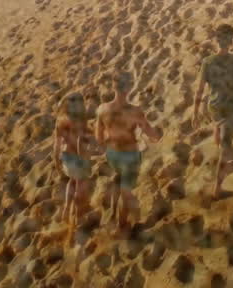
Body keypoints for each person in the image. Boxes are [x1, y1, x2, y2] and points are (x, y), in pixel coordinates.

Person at [95, 71, 163, 233]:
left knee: (119, 176)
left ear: (113, 87)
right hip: (130, 156)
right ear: (129, 87)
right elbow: (148, 131)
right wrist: (158, 137)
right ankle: (122, 225)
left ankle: (112, 210)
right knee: (127, 191)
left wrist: (110, 142)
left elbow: (98, 137)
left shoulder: (102, 109)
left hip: (112, 155)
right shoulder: (135, 111)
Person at [192, 23, 233, 197]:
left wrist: (195, 112)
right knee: (227, 146)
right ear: (231, 41)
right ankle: (218, 188)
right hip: (228, 109)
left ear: (217, 40)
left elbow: (200, 89)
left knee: (220, 130)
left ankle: (222, 147)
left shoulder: (207, 62)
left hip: (214, 107)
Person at [54, 92, 99, 239]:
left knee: (72, 181)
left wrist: (57, 163)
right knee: (81, 184)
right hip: (77, 157)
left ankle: (67, 207)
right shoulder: (80, 120)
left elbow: (57, 145)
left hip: (66, 157)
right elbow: (81, 141)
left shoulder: (60, 121)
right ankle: (77, 217)